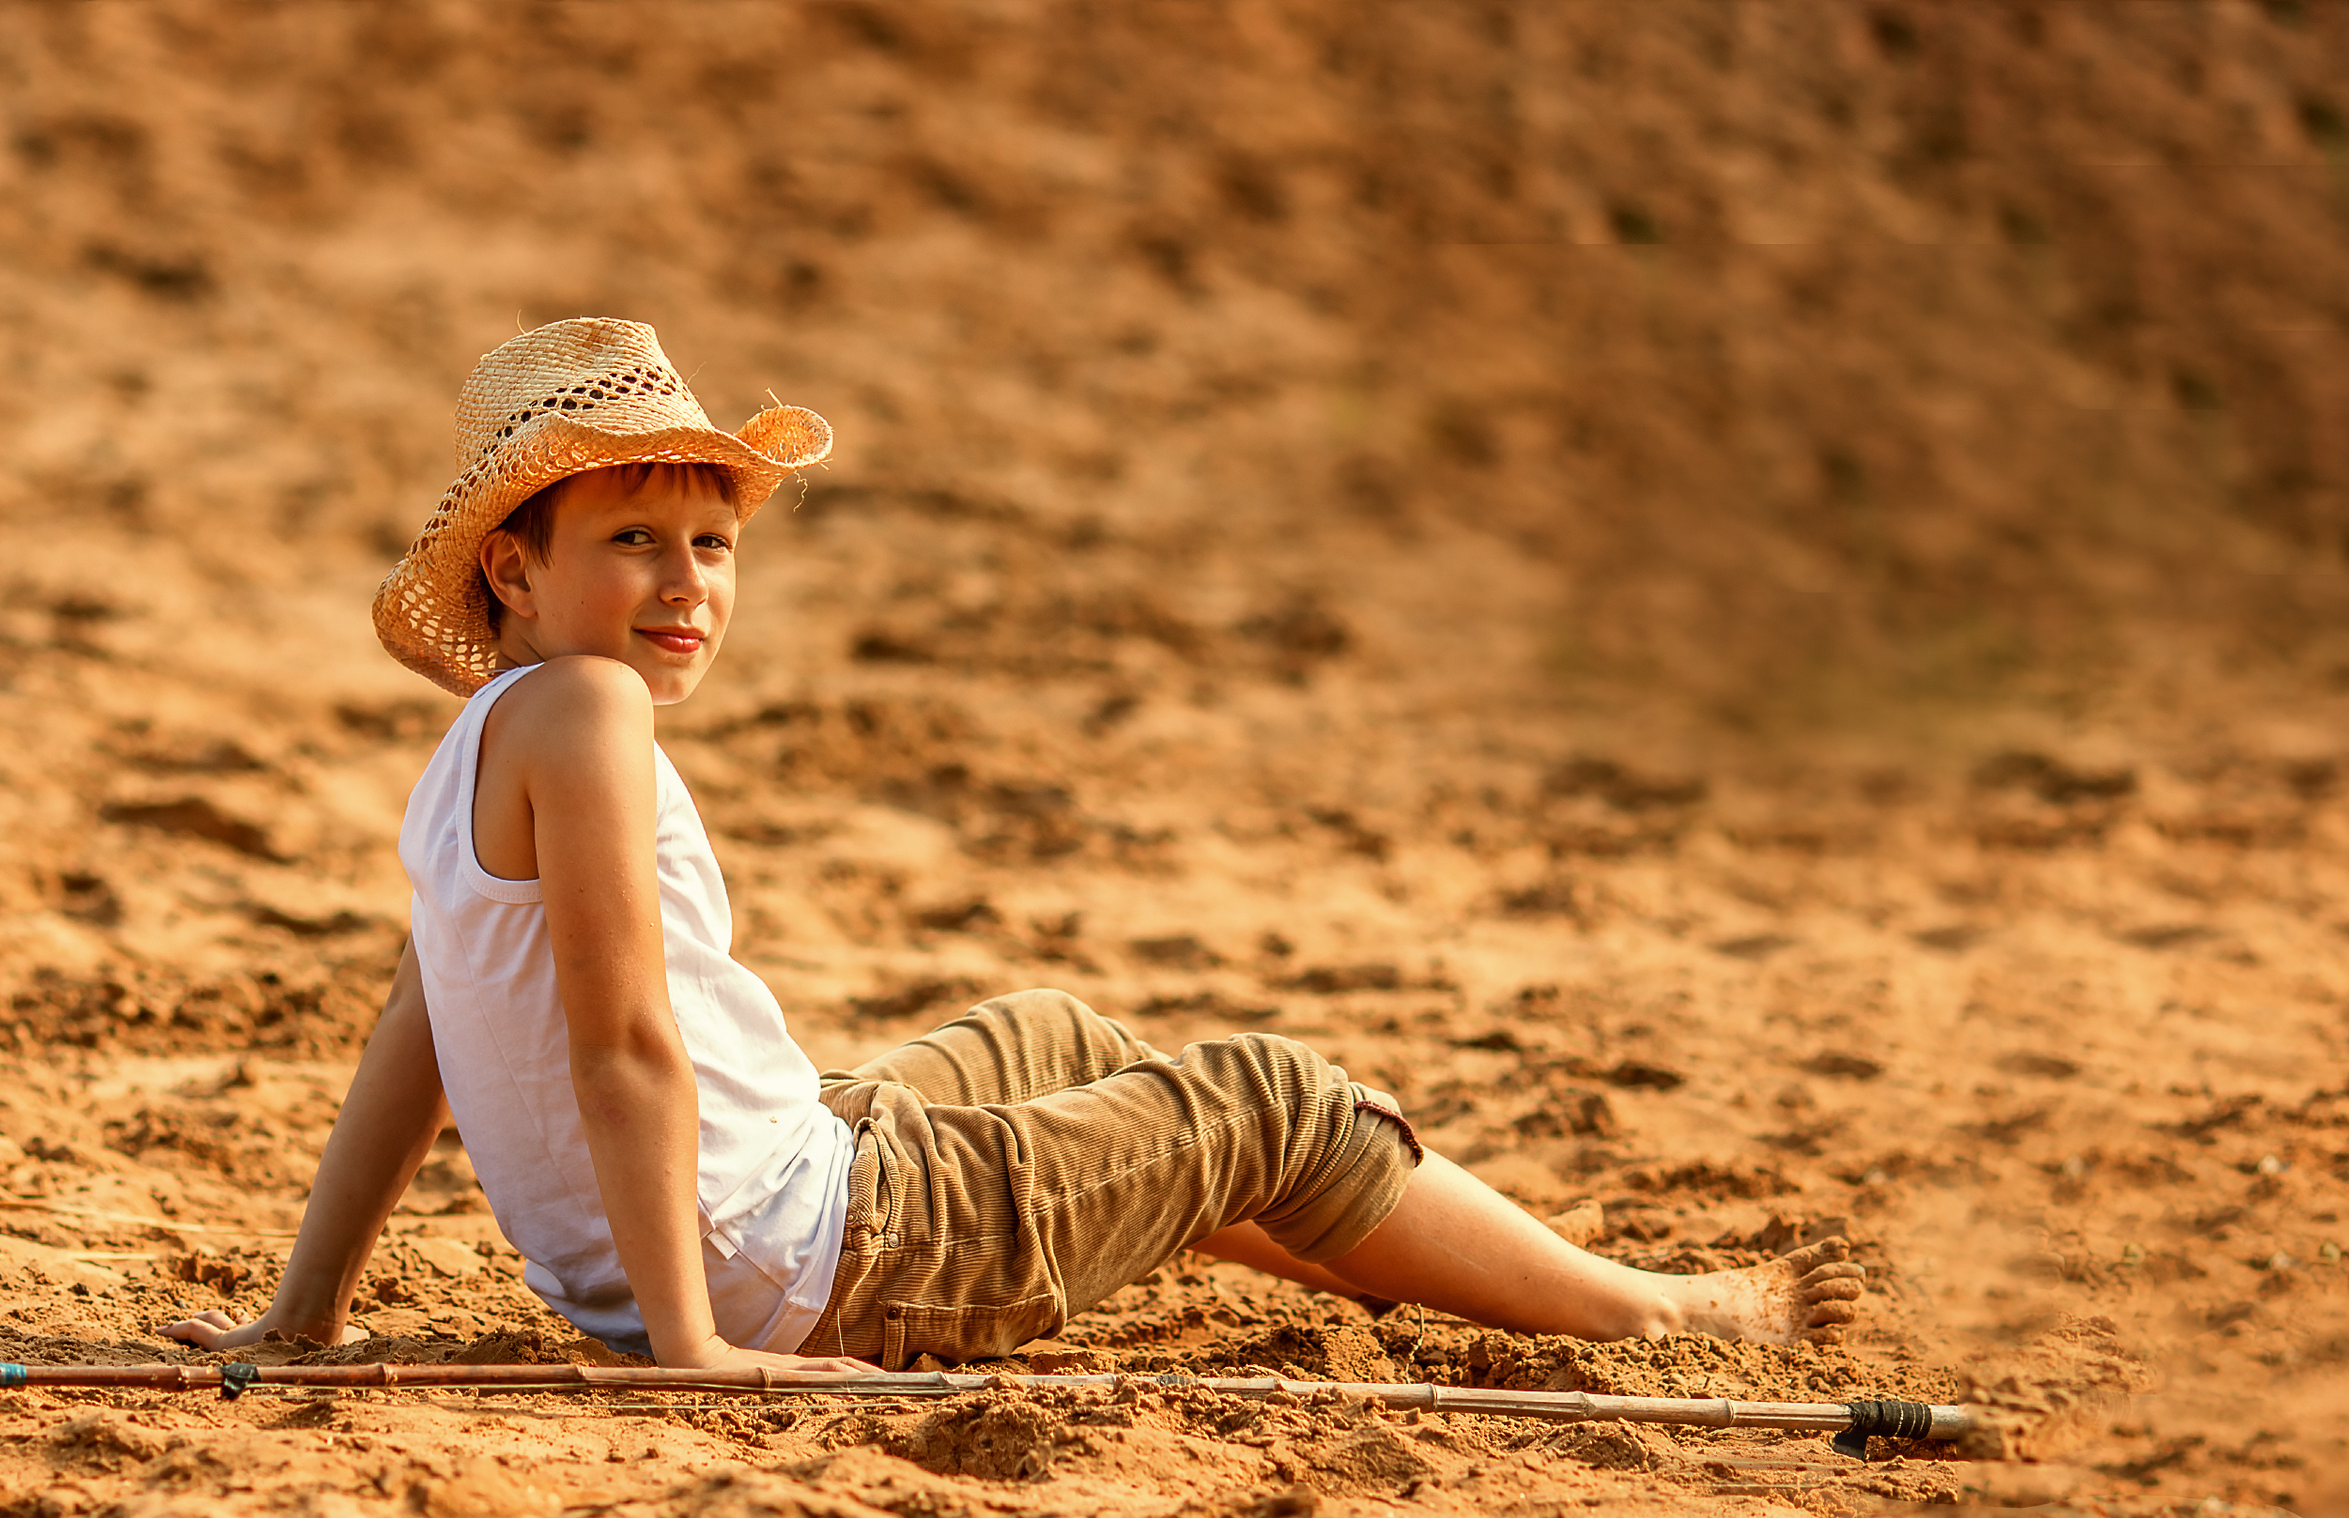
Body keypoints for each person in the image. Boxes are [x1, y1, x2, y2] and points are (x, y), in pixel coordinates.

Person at [161, 319, 1864, 1376]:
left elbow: (419, 1033)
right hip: (794, 1264)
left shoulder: (480, 741)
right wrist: (690, 1349)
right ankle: (1656, 1315)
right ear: (514, 573)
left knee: (1047, 1036)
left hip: (759, 1218)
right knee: (1263, 1096)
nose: (687, 584)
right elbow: (617, 1045)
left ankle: (1386, 1249)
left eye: (710, 541)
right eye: (631, 540)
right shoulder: (590, 721)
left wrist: (307, 1308)